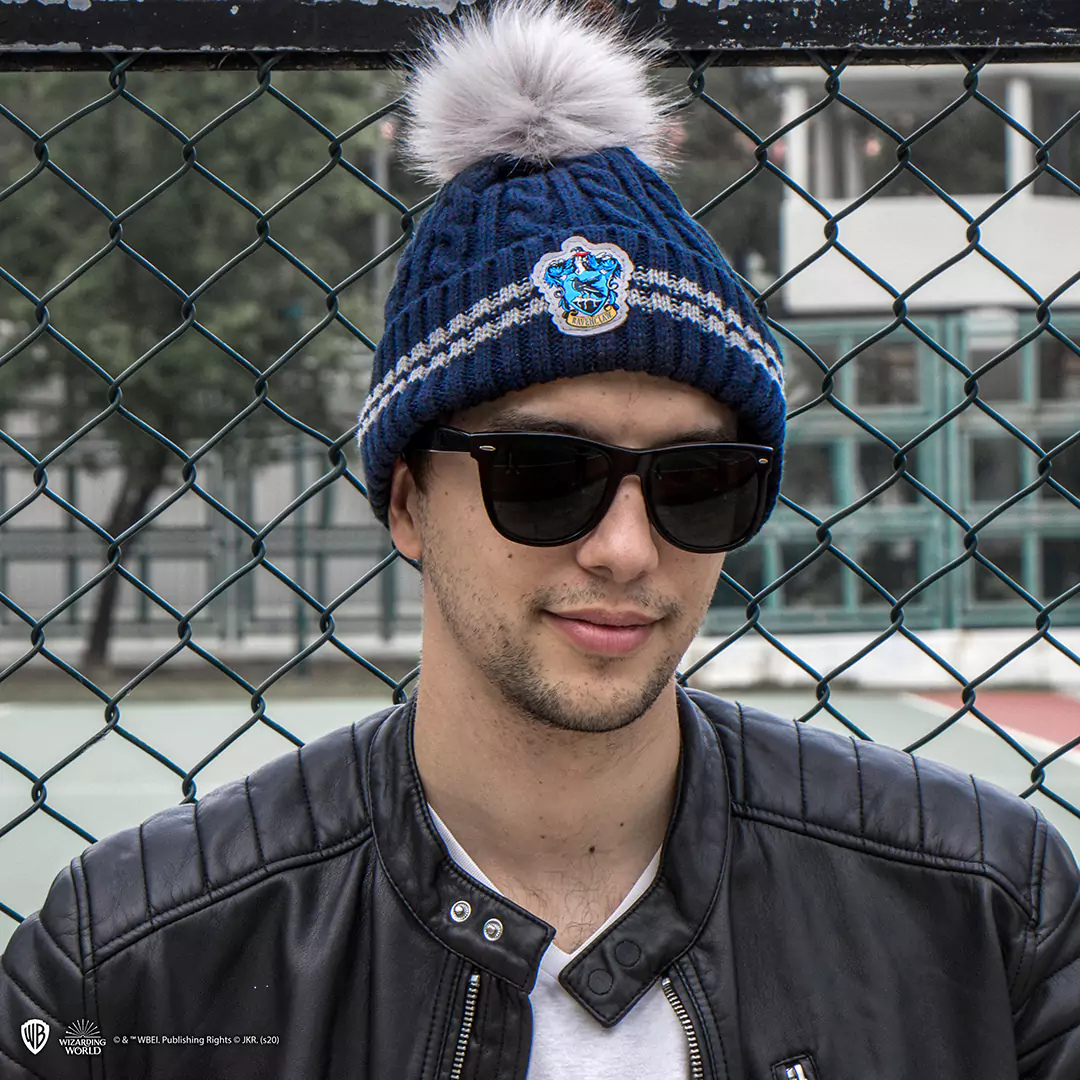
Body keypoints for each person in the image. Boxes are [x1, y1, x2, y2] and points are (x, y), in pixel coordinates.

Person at [2, 2, 1078, 1077]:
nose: (625, 549)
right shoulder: (130, 967)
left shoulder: (987, 914)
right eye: (544, 473)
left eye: (698, 483)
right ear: (407, 502)